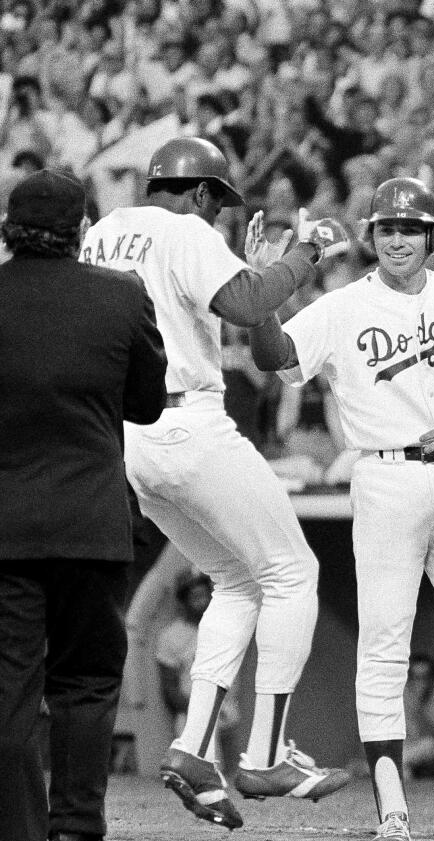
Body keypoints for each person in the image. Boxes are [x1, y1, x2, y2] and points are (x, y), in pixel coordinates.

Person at [248, 176, 434, 841]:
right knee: (384, 650)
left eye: (410, 228)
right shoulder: (344, 305)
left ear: (432, 236)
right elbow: (275, 358)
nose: (398, 239)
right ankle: (394, 812)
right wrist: (265, 295)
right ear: (371, 236)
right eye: (386, 228)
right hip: (384, 478)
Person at [79, 136, 351, 830]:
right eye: (217, 201)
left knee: (237, 580)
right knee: (295, 572)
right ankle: (265, 751)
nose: (219, 215)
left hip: (125, 437)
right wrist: (306, 253)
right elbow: (247, 299)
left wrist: (259, 280)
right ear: (200, 193)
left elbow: (238, 300)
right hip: (186, 422)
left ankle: (195, 747)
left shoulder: (106, 229)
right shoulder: (184, 229)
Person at [0, 169, 166, 841]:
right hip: (93, 522)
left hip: (5, 526)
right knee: (88, 683)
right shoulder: (121, 297)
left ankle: (17, 830)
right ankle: (76, 826)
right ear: (81, 231)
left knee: (8, 691)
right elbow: (147, 404)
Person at [156, 572, 240, 768]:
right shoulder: (171, 636)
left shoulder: (223, 628)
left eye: (205, 595)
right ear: (184, 601)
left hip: (227, 711)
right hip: (191, 714)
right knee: (203, 771)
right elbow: (169, 689)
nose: (202, 602)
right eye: (195, 596)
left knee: (234, 775)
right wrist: (201, 710)